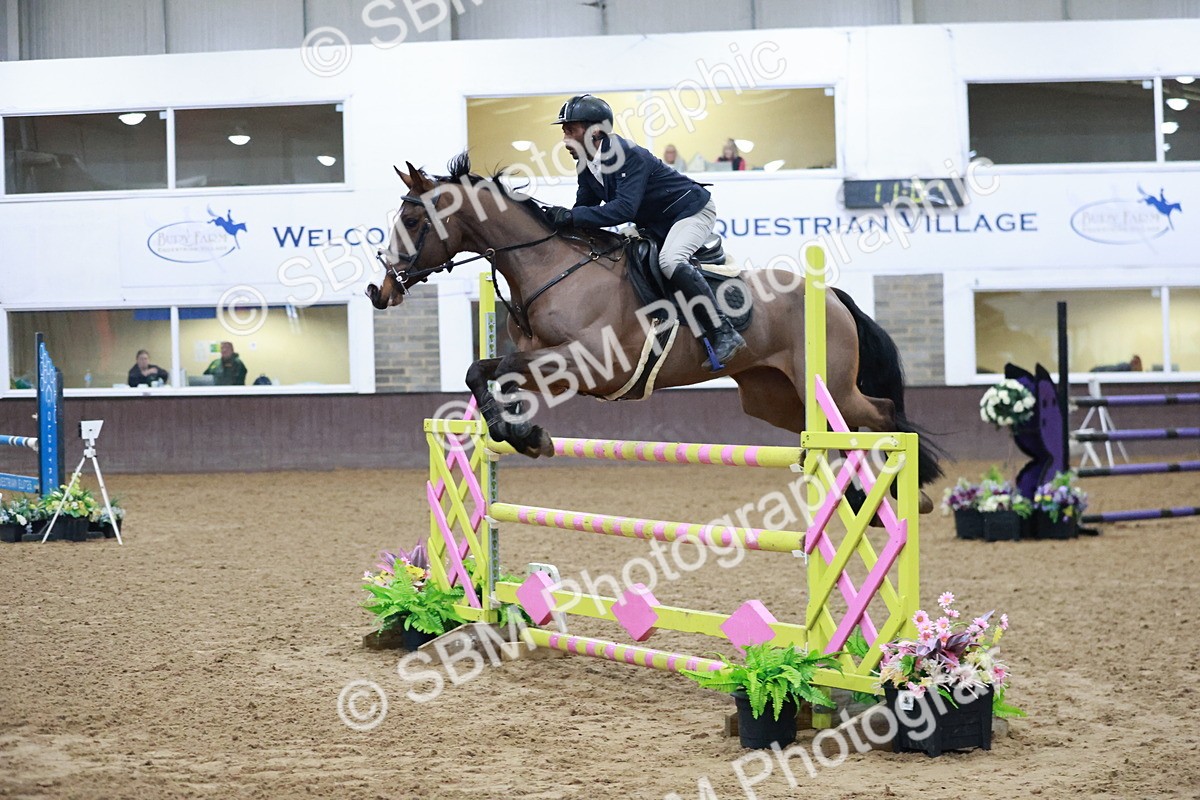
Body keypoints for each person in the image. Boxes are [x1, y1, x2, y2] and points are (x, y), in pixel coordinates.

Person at [541, 94, 745, 370]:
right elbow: (585, 208)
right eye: (564, 131)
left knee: (671, 261)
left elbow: (623, 209)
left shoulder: (627, 154)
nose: (564, 139)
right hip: (656, 221)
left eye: (570, 130)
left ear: (595, 131)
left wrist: (573, 216)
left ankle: (724, 332)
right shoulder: (585, 162)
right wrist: (559, 223)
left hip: (689, 211)